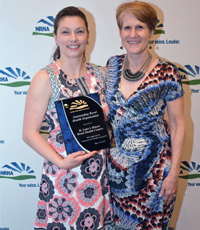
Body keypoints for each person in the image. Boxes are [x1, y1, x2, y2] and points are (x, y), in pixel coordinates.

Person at [23, 6, 113, 230]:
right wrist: (61, 162)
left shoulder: (101, 74)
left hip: (99, 179)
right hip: (63, 180)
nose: (73, 38)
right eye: (65, 32)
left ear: (88, 36)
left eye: (79, 31)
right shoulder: (45, 77)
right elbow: (29, 133)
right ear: (55, 37)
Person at [105, 1, 185, 229]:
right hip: (117, 174)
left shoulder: (168, 72)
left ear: (151, 31)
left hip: (155, 174)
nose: (133, 34)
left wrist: (173, 174)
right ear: (120, 32)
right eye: (126, 28)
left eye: (140, 27)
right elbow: (108, 117)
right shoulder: (112, 65)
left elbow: (178, 123)